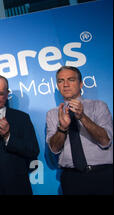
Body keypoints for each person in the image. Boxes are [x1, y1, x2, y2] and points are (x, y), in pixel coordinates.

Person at [46, 66, 113, 195]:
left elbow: (105, 141)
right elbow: (54, 148)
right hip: (72, 178)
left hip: (103, 175)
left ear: (81, 84)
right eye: (61, 81)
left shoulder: (98, 106)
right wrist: (62, 128)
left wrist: (82, 117)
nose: (65, 85)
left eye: (71, 80)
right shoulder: (52, 114)